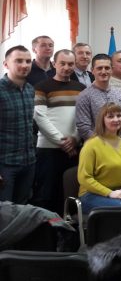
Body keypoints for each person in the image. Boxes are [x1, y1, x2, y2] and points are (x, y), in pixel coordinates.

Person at [32, 49, 85, 213]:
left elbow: (83, 117)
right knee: (46, 193)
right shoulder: (41, 87)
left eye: (70, 64)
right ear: (54, 64)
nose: (66, 67)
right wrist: (63, 142)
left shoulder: (81, 88)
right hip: (48, 149)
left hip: (74, 148)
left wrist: (75, 138)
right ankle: (46, 226)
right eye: (62, 63)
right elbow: (40, 117)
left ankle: (68, 226)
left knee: (70, 193)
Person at [0, 45, 35, 204]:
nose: (25, 65)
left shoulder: (30, 90)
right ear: (6, 64)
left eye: (28, 61)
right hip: (5, 165)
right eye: (19, 61)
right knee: (4, 212)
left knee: (22, 210)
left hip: (28, 163)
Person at [75, 53, 121, 141]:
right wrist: (104, 145)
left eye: (107, 68)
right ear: (92, 70)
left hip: (120, 144)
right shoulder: (84, 96)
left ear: (112, 70)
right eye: (99, 68)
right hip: (96, 146)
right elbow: (83, 127)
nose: (103, 72)